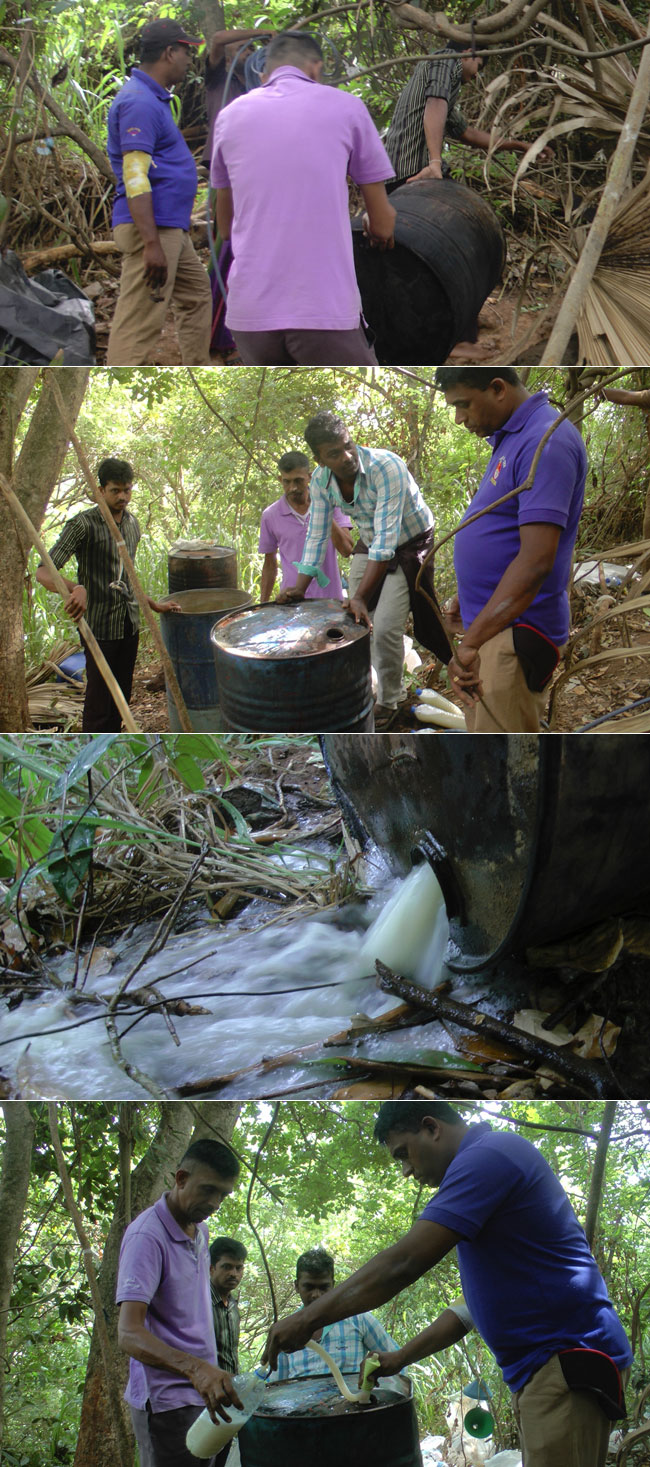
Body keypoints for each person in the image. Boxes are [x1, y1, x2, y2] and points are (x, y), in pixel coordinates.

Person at [263, 1102, 632, 1467]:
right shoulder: (485, 1174)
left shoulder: (487, 1157)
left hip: (566, 1361)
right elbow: (468, 1310)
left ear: (431, 1127)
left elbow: (403, 1263)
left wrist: (308, 1319)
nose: (406, 1170)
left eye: (404, 1154)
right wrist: (402, 1357)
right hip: (548, 1369)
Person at [210, 31, 396, 365]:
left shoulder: (229, 116)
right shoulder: (346, 107)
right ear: (316, 69)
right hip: (323, 311)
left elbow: (225, 229)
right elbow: (382, 224)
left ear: (264, 74)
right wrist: (372, 223)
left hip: (249, 316)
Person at [434, 366, 587, 733]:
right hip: (497, 629)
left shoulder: (545, 443)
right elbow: (506, 533)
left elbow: (535, 562)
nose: (459, 419)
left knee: (504, 761)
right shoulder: (514, 437)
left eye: (464, 405)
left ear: (498, 388)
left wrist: (470, 643)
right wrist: (470, 596)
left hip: (516, 636)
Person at [276, 411, 450, 729]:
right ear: (319, 459)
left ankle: (390, 700)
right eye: (334, 453)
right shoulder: (321, 481)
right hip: (371, 545)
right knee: (352, 623)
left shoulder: (386, 467)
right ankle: (364, 687)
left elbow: (387, 543)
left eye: (348, 446)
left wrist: (359, 595)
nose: (346, 457)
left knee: (384, 628)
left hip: (409, 543)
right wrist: (300, 587)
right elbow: (316, 536)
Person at [116, 1138, 244, 1467]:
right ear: (181, 1178)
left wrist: (208, 1373)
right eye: (207, 1190)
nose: (214, 1202)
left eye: (223, 1194)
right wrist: (196, 1369)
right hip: (165, 1402)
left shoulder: (200, 1232)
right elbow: (128, 1333)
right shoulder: (147, 1236)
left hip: (204, 1395)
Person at [35, 458, 180, 732]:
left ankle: (116, 738)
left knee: (122, 696)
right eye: (115, 490)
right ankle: (94, 747)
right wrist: (75, 588)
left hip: (128, 623)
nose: (122, 496)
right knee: (100, 700)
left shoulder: (132, 524)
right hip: (99, 628)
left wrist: (153, 605)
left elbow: (129, 577)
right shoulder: (83, 525)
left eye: (127, 490)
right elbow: (44, 571)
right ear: (101, 490)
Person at [106, 18, 212, 366]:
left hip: (168, 227)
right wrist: (151, 244)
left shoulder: (152, 98)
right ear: (169, 52)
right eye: (186, 52)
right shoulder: (140, 102)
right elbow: (135, 176)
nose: (188, 60)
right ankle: (120, 372)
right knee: (139, 322)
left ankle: (196, 364)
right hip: (153, 230)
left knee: (196, 295)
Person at [384, 42, 550, 188]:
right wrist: (435, 163)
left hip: (393, 174)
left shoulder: (438, 91)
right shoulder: (447, 58)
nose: (477, 75)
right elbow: (435, 102)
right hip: (411, 171)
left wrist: (520, 145)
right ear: (467, 54)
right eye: (479, 65)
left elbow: (467, 134)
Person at [271, 1248, 399, 1381]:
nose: (316, 1295)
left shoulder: (359, 1319)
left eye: (323, 1287)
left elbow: (396, 1362)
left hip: (351, 1400)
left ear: (333, 1285)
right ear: (297, 1286)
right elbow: (276, 1386)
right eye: (309, 1287)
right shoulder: (287, 1332)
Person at [259, 451, 353, 602]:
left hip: (330, 599)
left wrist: (322, 509)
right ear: (279, 480)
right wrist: (262, 607)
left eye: (298, 481)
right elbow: (269, 565)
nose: (293, 488)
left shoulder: (332, 504)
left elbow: (347, 550)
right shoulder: (270, 516)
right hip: (292, 601)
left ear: (309, 477)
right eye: (287, 482)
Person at [209, 1236, 247, 1375]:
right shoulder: (199, 1304)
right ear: (211, 1268)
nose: (233, 1274)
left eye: (239, 1268)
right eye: (227, 1267)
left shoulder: (233, 1306)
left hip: (229, 1389)